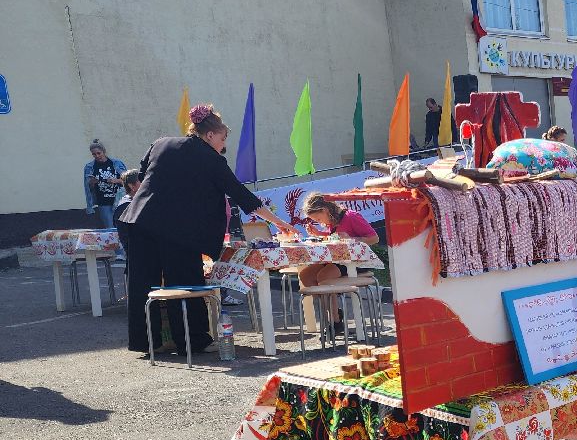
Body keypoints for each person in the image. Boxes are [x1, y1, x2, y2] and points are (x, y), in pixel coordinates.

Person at [121, 104, 295, 355]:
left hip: (140, 221)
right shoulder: (212, 160)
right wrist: (279, 223)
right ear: (210, 135)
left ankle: (147, 341)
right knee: (183, 283)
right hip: (178, 230)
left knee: (142, 284)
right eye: (223, 139)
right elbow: (242, 195)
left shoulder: (161, 143)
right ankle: (192, 341)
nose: (223, 146)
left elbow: (144, 169)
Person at [298, 193, 381, 331]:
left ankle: (335, 321)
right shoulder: (333, 221)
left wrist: (352, 239)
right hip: (338, 260)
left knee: (324, 277)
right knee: (306, 275)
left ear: (325, 210)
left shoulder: (351, 217)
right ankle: (334, 310)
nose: (319, 222)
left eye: (318, 218)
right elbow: (336, 238)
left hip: (355, 262)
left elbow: (374, 238)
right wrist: (319, 234)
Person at [83, 141, 127, 228]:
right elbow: (88, 188)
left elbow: (127, 180)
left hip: (119, 199)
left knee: (122, 227)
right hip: (103, 201)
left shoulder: (116, 163)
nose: (97, 156)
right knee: (110, 228)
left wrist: (116, 180)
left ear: (104, 151)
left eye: (99, 153)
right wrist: (92, 182)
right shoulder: (90, 167)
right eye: (94, 154)